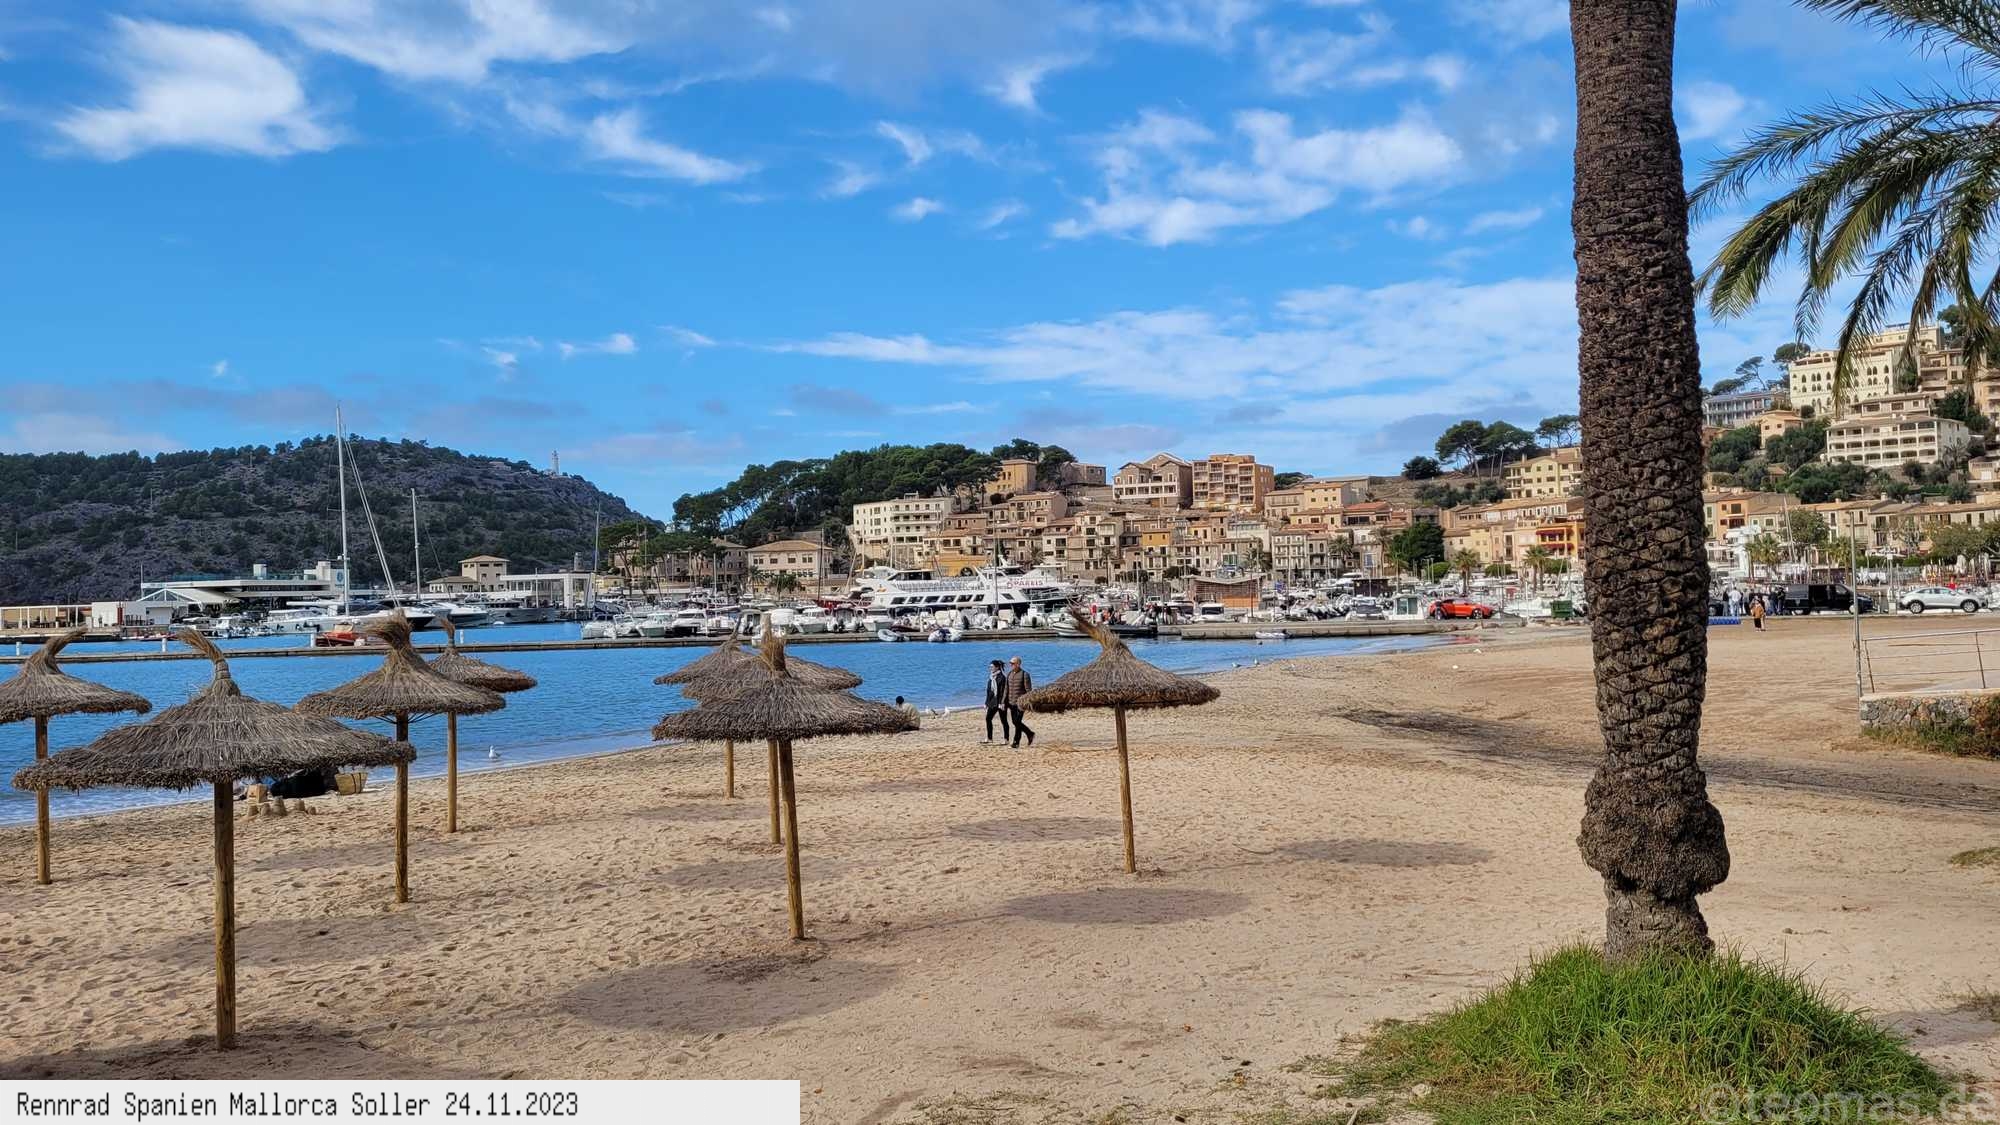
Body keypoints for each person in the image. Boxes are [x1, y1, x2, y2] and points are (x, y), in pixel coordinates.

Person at [1006, 655, 1035, 748]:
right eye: (1010, 663)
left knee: (1016, 722)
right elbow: (1006, 689)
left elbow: (1029, 691)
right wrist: (1003, 701)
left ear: (1018, 664)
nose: (1011, 665)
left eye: (1012, 663)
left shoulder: (1025, 674)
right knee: (1015, 722)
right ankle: (1029, 734)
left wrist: (1028, 703)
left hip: (1020, 703)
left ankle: (1016, 741)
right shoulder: (1009, 674)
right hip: (1011, 703)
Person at [983, 660, 1011, 743]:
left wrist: (1002, 703)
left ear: (997, 667)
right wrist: (986, 703)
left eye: (992, 667)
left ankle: (1006, 739)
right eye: (990, 667)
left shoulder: (1002, 678)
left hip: (1001, 702)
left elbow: (1003, 692)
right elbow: (989, 691)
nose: (990, 668)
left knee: (1004, 720)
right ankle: (989, 738)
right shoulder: (991, 677)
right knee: (988, 718)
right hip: (992, 702)